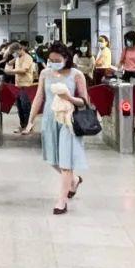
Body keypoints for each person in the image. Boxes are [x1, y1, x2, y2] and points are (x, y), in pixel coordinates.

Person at [22, 42, 89, 214]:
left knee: (66, 161)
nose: (53, 63)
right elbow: (39, 97)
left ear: (66, 59)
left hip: (68, 121)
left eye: (57, 60)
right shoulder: (45, 73)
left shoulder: (76, 75)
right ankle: (74, 180)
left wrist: (69, 98)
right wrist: (30, 121)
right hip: (49, 119)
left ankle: (62, 201)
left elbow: (84, 101)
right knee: (52, 159)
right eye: (51, 60)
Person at [2, 41, 35, 133]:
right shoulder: (17, 58)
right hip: (18, 85)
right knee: (19, 107)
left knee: (26, 107)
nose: (14, 54)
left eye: (15, 52)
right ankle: (22, 125)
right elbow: (9, 63)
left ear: (20, 49)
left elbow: (23, 70)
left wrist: (11, 71)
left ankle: (28, 126)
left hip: (26, 85)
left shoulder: (28, 58)